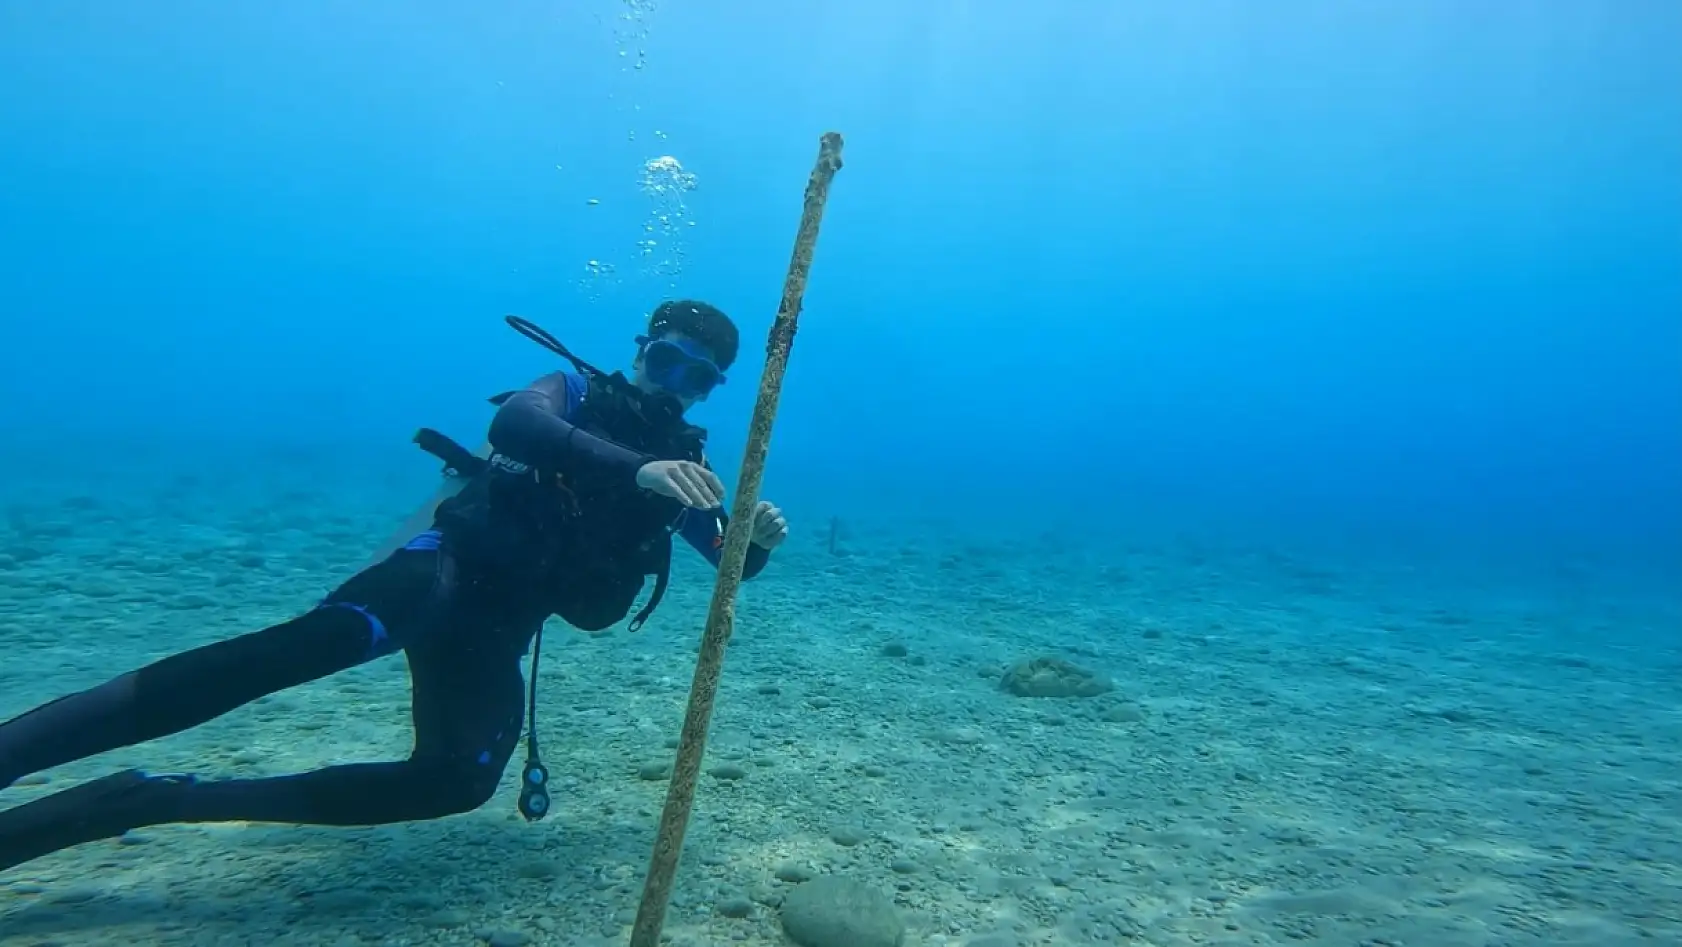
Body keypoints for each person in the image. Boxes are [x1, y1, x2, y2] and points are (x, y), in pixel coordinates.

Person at [0, 300, 789, 872]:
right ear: (642, 349)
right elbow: (516, 424)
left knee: (458, 779)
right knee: (305, 648)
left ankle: (152, 799)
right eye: (666, 360)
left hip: (495, 630)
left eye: (697, 377)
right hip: (439, 572)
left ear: (709, 390)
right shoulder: (572, 394)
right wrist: (638, 465)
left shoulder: (693, 476)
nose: (673, 383)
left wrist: (750, 542)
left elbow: (725, 564)